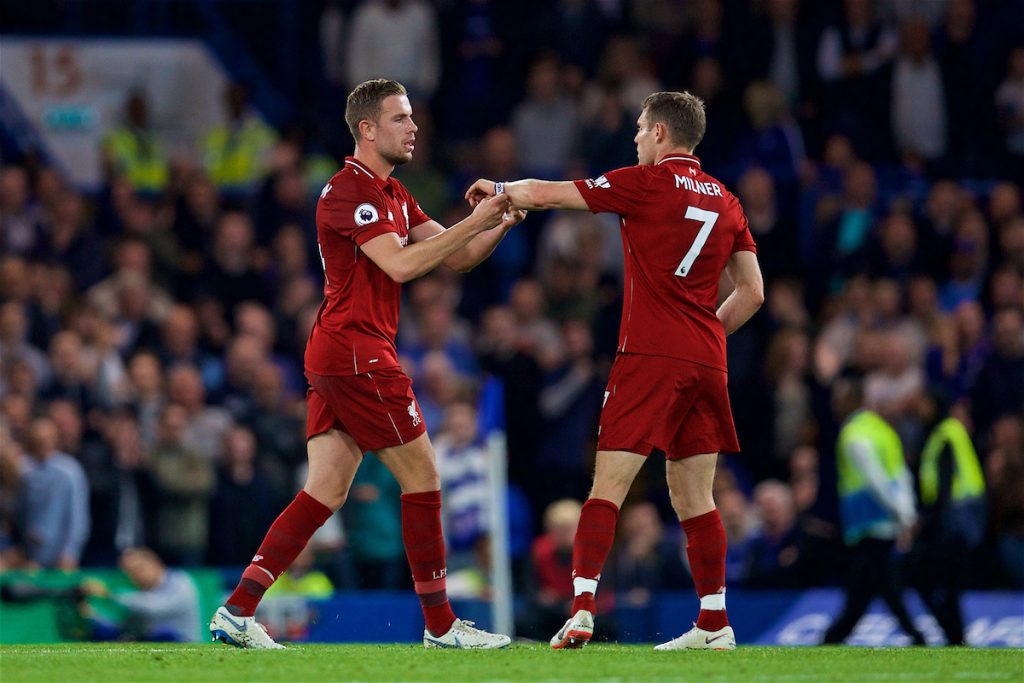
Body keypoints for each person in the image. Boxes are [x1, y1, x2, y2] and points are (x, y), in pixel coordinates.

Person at [209, 78, 524, 650]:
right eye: (401, 118)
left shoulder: (396, 195)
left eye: (412, 118)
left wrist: (499, 220)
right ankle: (441, 627)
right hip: (358, 353)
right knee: (424, 478)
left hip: (341, 352)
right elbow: (402, 266)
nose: (414, 128)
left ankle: (237, 609)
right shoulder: (347, 191)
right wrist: (475, 221)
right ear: (368, 129)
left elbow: (459, 259)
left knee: (325, 491)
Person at [465, 90, 765, 650]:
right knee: (694, 497)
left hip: (649, 356)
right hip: (706, 359)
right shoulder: (727, 200)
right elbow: (752, 292)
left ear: (659, 134)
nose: (633, 137)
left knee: (609, 486)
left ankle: (580, 609)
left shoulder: (644, 182)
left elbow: (552, 194)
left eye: (638, 128)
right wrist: (703, 338)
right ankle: (714, 622)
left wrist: (502, 189)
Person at [822, 377, 926, 646]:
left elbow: (875, 479)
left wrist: (903, 514)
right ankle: (912, 634)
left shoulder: (853, 433)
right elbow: (900, 474)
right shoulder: (883, 430)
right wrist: (907, 510)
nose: (834, 404)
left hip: (869, 520)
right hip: (887, 520)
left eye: (839, 398)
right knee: (874, 581)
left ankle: (837, 636)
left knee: (872, 580)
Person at [80, 547, 201, 642]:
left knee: (162, 632)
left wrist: (109, 594)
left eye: (138, 569)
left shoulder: (181, 582)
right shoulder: (141, 592)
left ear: (154, 563)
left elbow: (153, 608)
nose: (135, 577)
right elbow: (125, 627)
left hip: (180, 642)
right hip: (149, 643)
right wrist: (91, 615)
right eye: (130, 573)